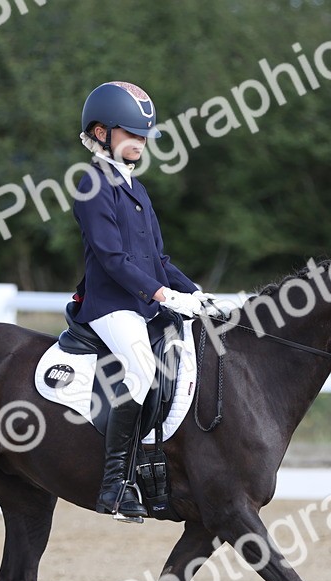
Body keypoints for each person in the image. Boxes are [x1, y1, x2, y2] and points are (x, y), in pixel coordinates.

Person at [72, 81, 208, 519]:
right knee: (142, 367)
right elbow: (113, 258)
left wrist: (194, 292)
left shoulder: (136, 188)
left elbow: (157, 258)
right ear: (100, 132)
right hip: (110, 305)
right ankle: (115, 484)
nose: (140, 143)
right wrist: (161, 293)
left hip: (141, 302)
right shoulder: (91, 183)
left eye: (143, 135)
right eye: (131, 134)